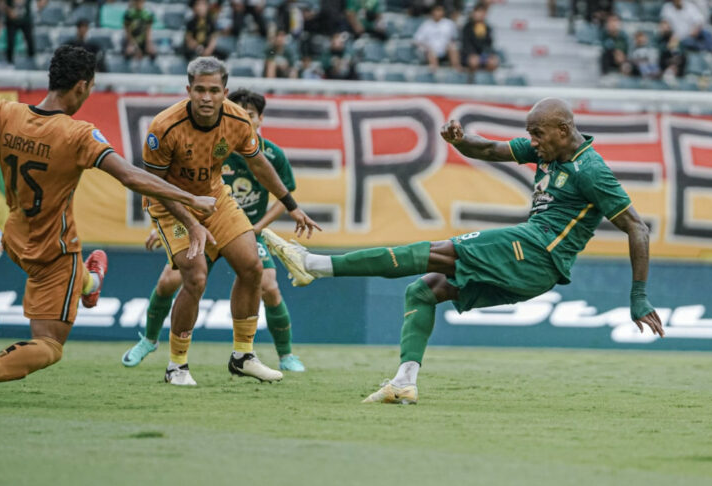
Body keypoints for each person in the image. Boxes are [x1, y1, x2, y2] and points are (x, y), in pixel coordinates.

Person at [263, 98, 664, 405]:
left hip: (536, 251)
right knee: (424, 290)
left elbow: (636, 227)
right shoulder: (547, 151)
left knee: (435, 252)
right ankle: (404, 381)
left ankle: (313, 264)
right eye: (531, 134)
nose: (533, 142)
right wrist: (460, 141)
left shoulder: (590, 170)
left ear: (563, 128)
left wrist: (639, 296)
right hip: (530, 271)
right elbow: (488, 150)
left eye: (539, 134)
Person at [0, 46, 217, 405]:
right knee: (50, 346)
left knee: (56, 288)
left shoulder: (3, 113)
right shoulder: (79, 135)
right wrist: (192, 200)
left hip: (12, 237)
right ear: (82, 87)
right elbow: (132, 176)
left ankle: (89, 281)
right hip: (53, 251)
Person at [138, 56, 319, 386]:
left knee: (252, 267)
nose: (207, 97)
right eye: (200, 90)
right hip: (172, 204)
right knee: (194, 276)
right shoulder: (163, 128)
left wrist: (291, 206)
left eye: (214, 90)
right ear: (188, 90)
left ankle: (243, 356)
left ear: (225, 92)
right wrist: (192, 223)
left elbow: (260, 165)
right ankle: (176, 365)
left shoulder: (237, 120)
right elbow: (155, 188)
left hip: (215, 199)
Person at [413, 4, 461, 71]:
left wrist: (450, 44)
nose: (437, 13)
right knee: (431, 53)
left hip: (445, 50)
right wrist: (427, 47)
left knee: (453, 48)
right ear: (432, 12)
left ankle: (456, 71)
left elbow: (455, 38)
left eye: (440, 10)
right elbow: (416, 40)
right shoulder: (426, 24)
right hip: (430, 51)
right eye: (436, 10)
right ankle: (435, 74)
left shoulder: (449, 23)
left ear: (443, 12)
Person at [3, 0, 45, 64]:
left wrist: (40, 4)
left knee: (30, 41)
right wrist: (9, 11)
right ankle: (9, 62)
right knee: (10, 42)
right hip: (12, 21)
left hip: (25, 21)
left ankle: (32, 61)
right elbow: (3, 4)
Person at [461, 3, 499, 74]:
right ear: (473, 13)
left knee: (493, 61)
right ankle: (472, 81)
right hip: (468, 55)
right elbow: (466, 45)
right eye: (478, 12)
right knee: (474, 61)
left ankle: (487, 80)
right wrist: (472, 54)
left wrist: (489, 55)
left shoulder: (487, 28)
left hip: (483, 55)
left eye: (482, 12)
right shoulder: (467, 27)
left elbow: (489, 44)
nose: (480, 14)